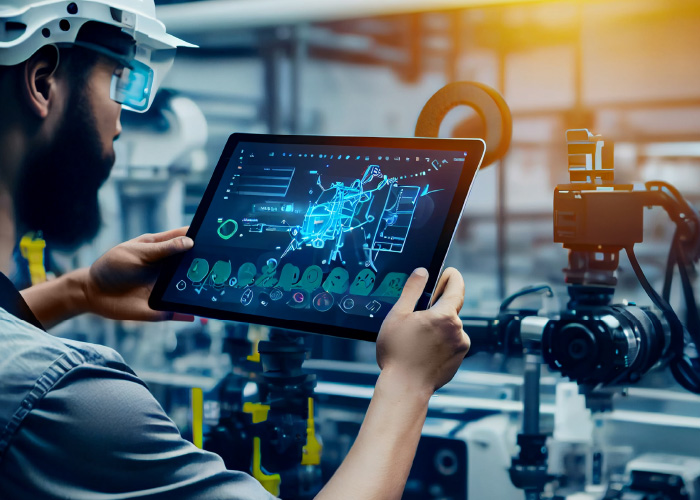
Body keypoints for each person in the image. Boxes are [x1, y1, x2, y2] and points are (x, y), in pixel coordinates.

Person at [0, 1, 471, 498]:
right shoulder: (70, 398)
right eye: (121, 81)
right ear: (42, 80)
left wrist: (81, 290)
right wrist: (407, 383)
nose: (119, 123)